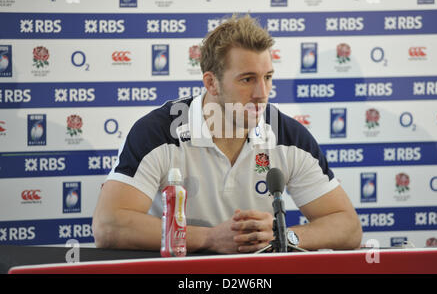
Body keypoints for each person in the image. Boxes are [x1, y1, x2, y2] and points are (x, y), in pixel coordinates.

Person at [92, 14, 362, 253]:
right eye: (247, 79)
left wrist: (283, 236)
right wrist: (208, 238)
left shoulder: (287, 136)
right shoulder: (159, 132)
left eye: (267, 77)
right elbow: (108, 226)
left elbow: (348, 227)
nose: (262, 94)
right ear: (211, 82)